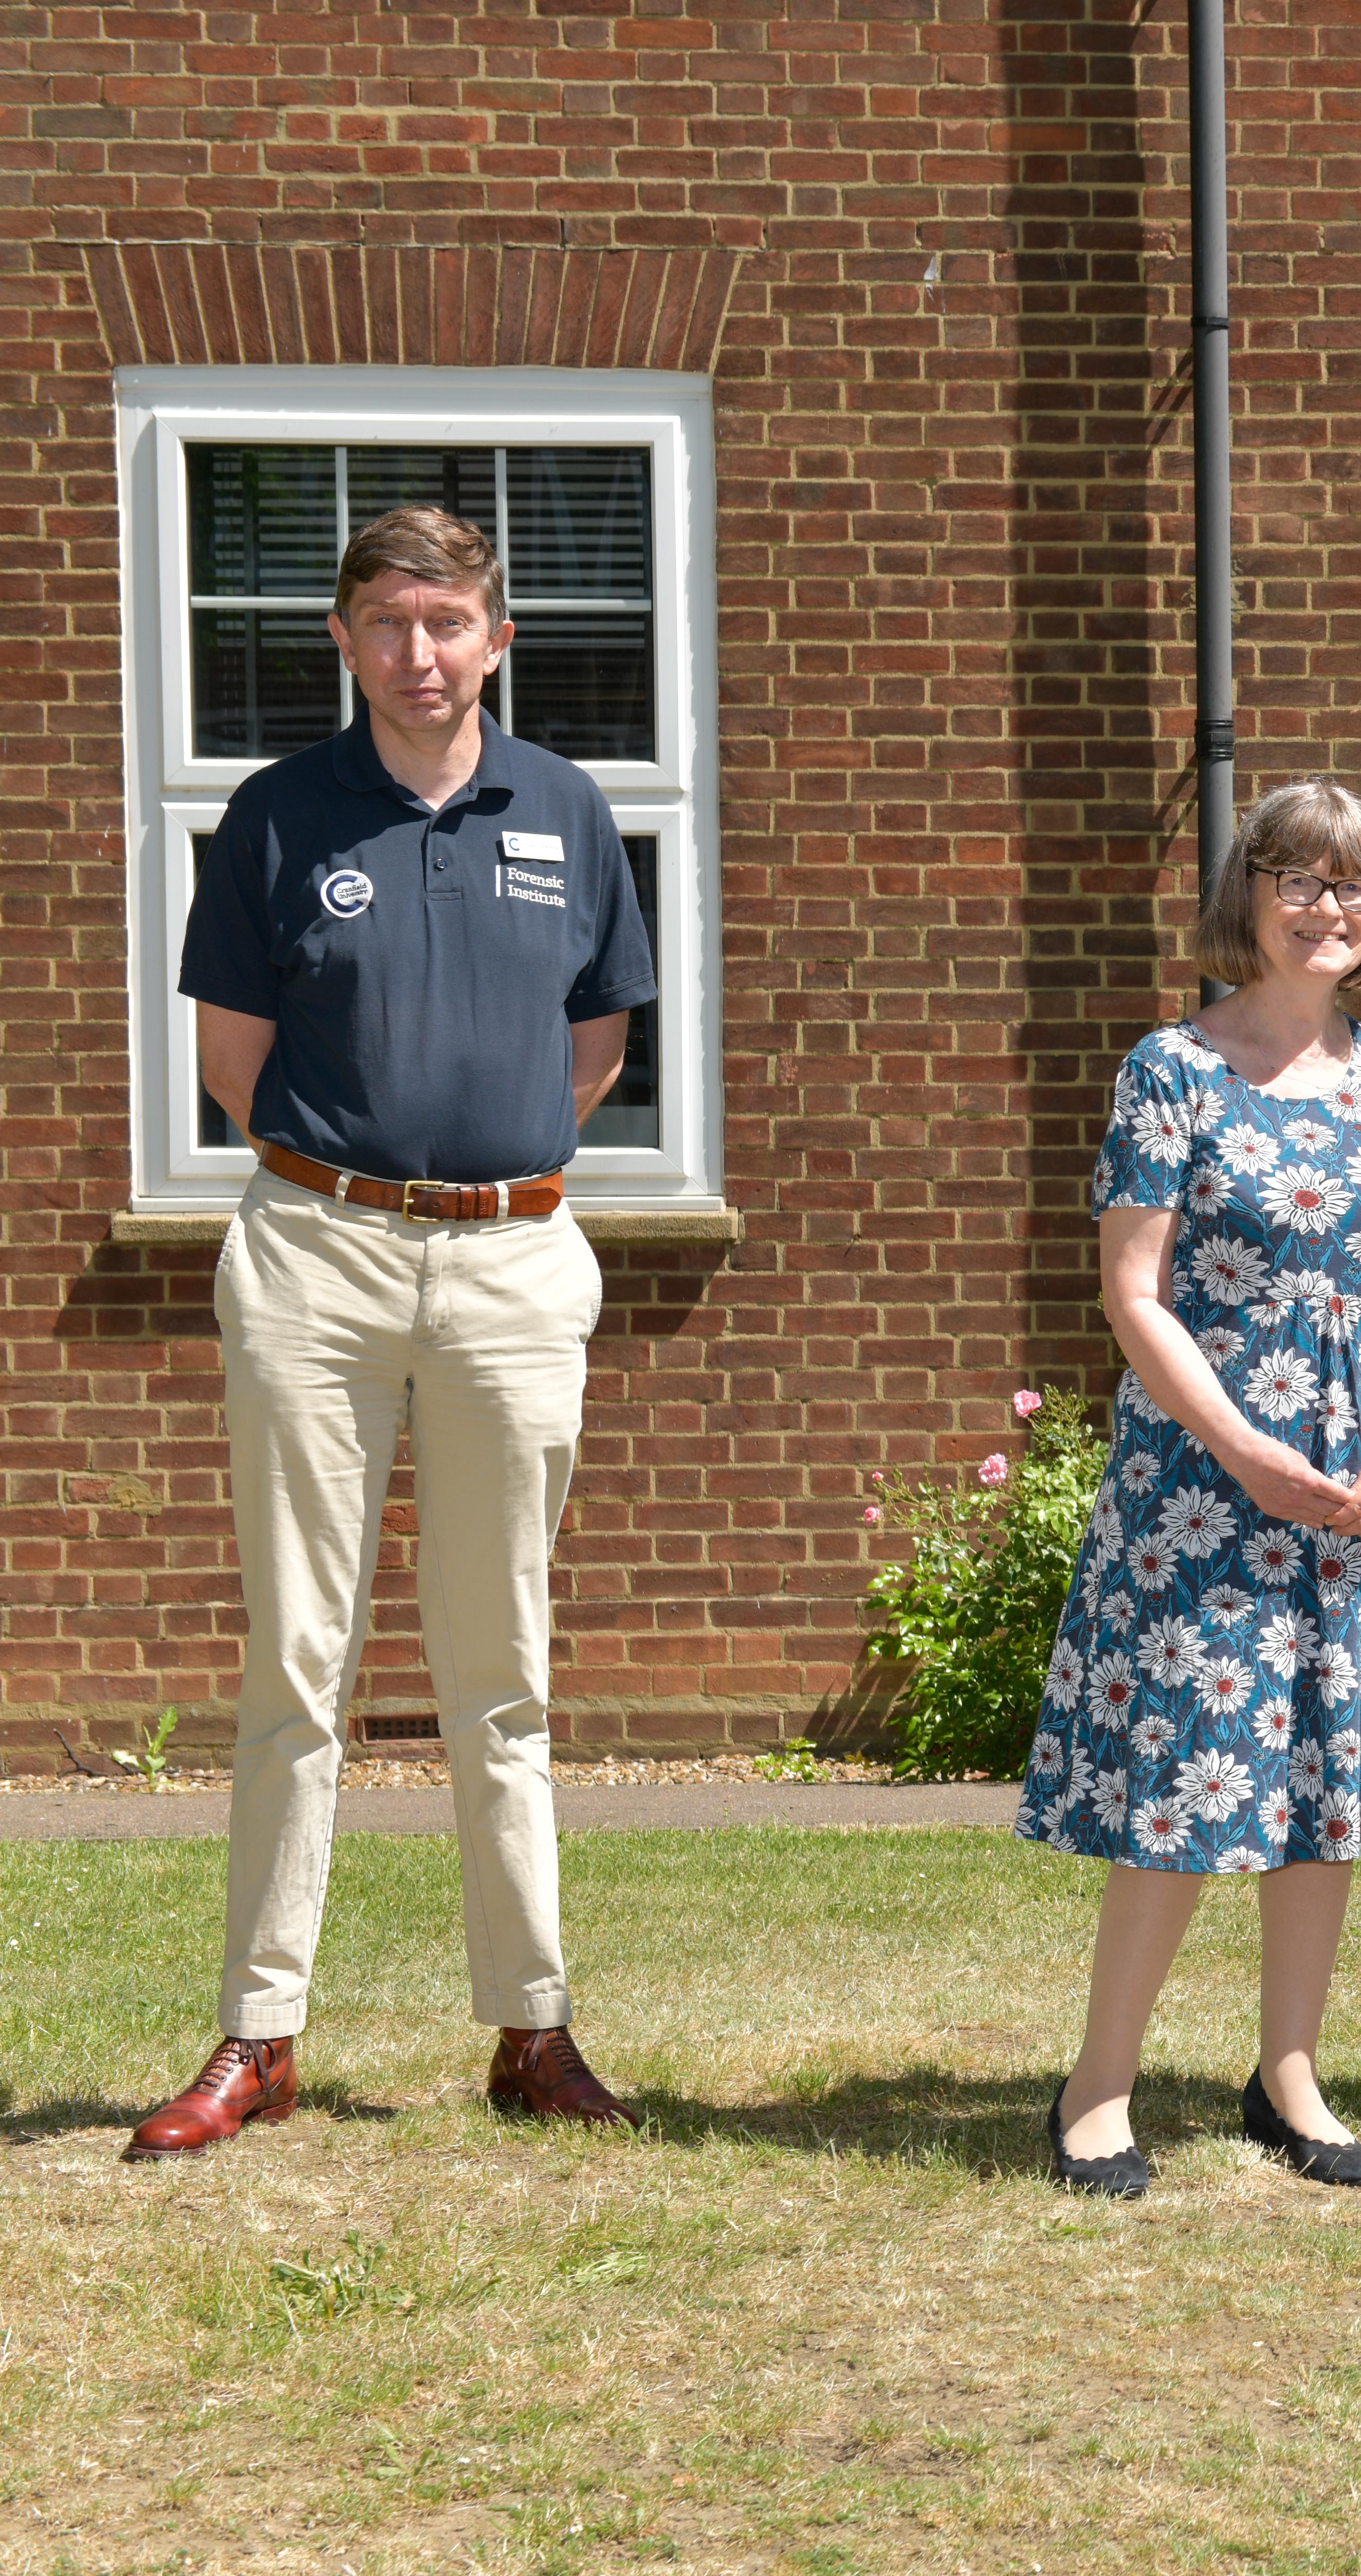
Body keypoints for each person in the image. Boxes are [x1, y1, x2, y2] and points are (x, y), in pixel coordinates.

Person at [132, 506, 660, 2158]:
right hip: (315, 1258)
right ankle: (261, 2033)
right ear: (346, 641)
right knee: (299, 1658)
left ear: (498, 638)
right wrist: (369, 1190)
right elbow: (237, 1057)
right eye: (386, 623)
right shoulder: (278, 818)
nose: (417, 655)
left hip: (511, 1266)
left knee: (501, 1669)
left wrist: (473, 1188)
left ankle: (533, 2027)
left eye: (448, 623)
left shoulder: (570, 811)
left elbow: (595, 1050)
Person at [1020, 776, 1361, 2198]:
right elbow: (1133, 1289)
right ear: (1250, 898)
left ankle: (1289, 2073)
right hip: (1210, 1472)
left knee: (1329, 1774)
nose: (1327, 907)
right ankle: (1098, 2084)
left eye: (1353, 885)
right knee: (1182, 1779)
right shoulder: (1173, 1068)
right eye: (1298, 879)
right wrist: (1242, 1450)